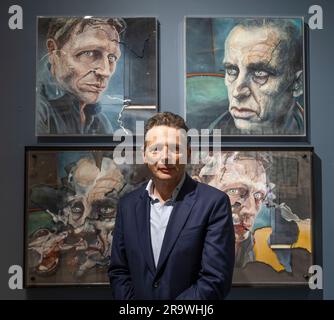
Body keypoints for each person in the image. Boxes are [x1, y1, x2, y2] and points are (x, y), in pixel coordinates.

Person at [108, 112, 235, 300]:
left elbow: (215, 280)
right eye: (156, 149)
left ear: (188, 153)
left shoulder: (213, 203)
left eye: (176, 148)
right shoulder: (128, 205)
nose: (165, 158)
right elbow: (119, 271)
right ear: (144, 155)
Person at [198, 151, 311, 272]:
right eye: (234, 191)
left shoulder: (264, 257)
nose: (251, 210)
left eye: (258, 195)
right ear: (199, 189)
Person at [209, 18, 304, 135]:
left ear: (298, 83)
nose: (237, 93)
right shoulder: (205, 144)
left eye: (260, 73)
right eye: (232, 70)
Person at [36, 17, 125, 135]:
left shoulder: (98, 119)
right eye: (89, 53)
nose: (105, 72)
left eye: (112, 57)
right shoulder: (35, 107)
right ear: (53, 51)